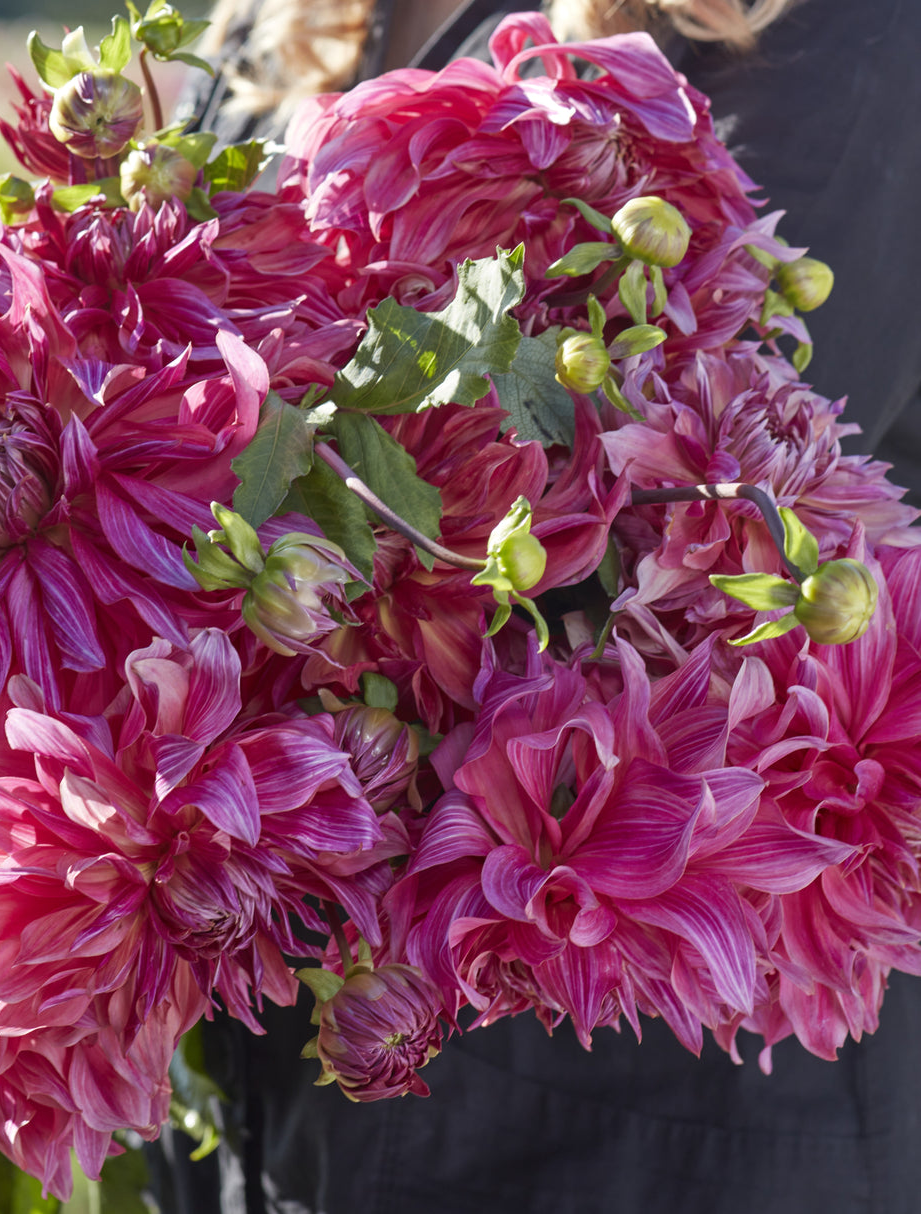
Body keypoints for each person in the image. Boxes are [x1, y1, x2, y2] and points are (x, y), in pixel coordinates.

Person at [148, 2, 921, 1210]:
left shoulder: (840, 36)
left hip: (621, 1122)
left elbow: (653, 560)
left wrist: (145, 494)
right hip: (276, 1065)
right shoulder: (286, 18)